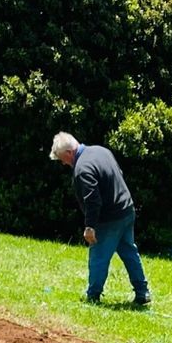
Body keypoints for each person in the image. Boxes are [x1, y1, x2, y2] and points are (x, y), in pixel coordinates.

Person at [50, 131, 151, 307]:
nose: (63, 163)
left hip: (109, 219)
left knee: (98, 257)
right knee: (129, 252)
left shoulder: (82, 168)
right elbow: (118, 173)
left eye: (61, 159)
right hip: (127, 209)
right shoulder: (101, 150)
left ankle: (93, 296)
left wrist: (90, 227)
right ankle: (143, 292)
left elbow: (93, 200)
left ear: (69, 152)